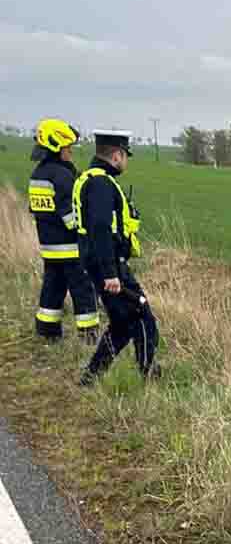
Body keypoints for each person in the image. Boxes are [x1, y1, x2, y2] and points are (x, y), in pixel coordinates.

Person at [73, 130, 159, 385]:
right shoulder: (101, 184)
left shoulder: (88, 178)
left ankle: (90, 378)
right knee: (143, 314)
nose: (126, 162)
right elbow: (100, 227)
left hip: (98, 261)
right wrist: (111, 273)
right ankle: (149, 374)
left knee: (122, 324)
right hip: (108, 265)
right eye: (125, 156)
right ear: (116, 155)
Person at [27, 119, 99, 340]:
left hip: (49, 247)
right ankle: (89, 336)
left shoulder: (38, 174)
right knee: (83, 290)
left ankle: (47, 332)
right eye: (68, 148)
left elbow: (37, 210)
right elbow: (71, 218)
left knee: (52, 290)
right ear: (57, 147)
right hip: (70, 248)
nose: (71, 153)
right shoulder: (62, 176)